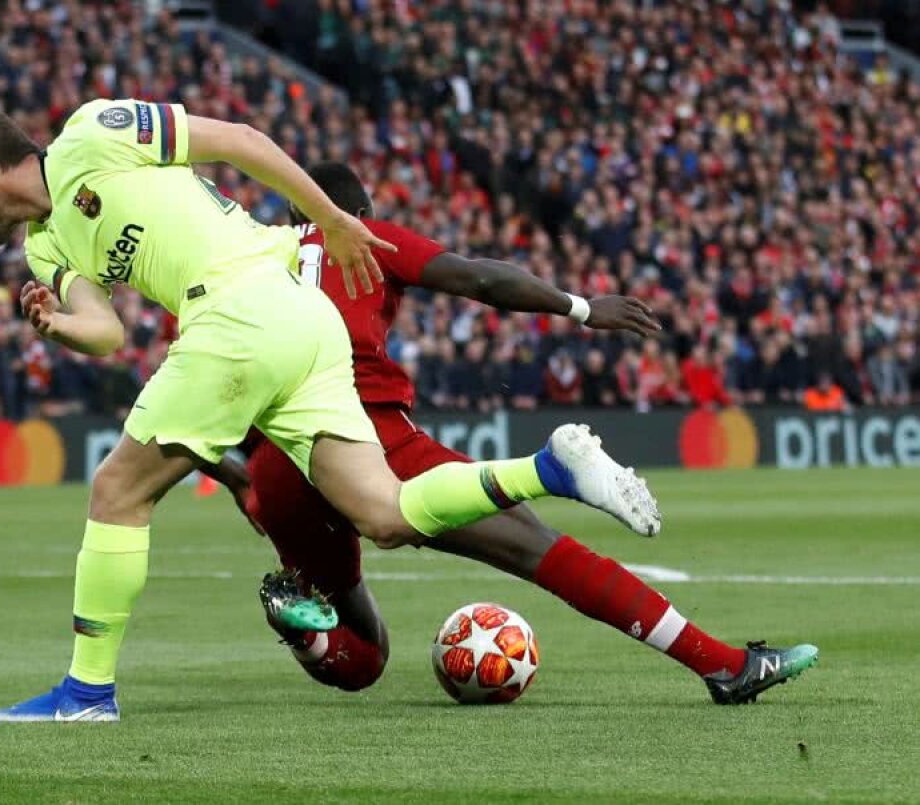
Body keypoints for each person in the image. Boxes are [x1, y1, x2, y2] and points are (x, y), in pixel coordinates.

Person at [0, 99, 660, 722]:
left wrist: (329, 215)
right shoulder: (45, 247)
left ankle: (85, 693)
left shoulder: (95, 132)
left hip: (237, 311)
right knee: (385, 511)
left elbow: (238, 141)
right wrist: (58, 326)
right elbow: (105, 331)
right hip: (300, 324)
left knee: (117, 491)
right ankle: (549, 467)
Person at [242, 162, 818, 705]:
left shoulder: (259, 262)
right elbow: (481, 279)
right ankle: (722, 665)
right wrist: (583, 308)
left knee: (362, 654)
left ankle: (303, 630)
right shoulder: (369, 238)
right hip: (369, 435)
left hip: (277, 461)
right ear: (360, 210)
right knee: (536, 546)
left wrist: (249, 486)